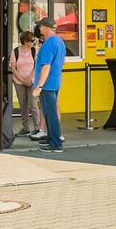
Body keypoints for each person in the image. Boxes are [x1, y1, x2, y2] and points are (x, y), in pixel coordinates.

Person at [32, 16, 66, 153]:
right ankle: (51, 138)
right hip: (55, 82)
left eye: (40, 26)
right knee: (49, 113)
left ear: (45, 27)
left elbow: (46, 66)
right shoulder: (59, 42)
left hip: (46, 85)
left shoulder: (48, 44)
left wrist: (39, 86)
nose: (39, 28)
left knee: (50, 114)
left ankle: (56, 144)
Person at [9, 29, 43, 139]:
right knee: (23, 105)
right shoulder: (15, 51)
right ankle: (25, 128)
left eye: (33, 40)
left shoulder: (34, 51)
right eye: (31, 41)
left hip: (32, 81)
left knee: (33, 104)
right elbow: (13, 68)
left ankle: (37, 128)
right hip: (19, 81)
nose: (33, 42)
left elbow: (36, 66)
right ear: (25, 41)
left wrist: (29, 78)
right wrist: (22, 80)